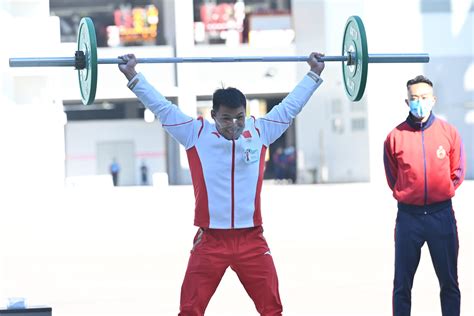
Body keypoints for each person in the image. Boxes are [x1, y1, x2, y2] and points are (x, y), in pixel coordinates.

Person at [118, 52, 325, 315]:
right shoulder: (194, 132)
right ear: (214, 114)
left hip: (251, 239)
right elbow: (161, 106)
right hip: (211, 240)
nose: (234, 125)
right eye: (226, 119)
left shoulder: (261, 130)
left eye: (239, 117)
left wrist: (314, 73)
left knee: (272, 309)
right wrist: (132, 75)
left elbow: (291, 106)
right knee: (190, 309)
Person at [383, 75, 466, 316]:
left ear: (433, 100)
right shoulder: (394, 137)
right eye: (414, 98)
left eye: (424, 97)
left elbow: (457, 172)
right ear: (406, 101)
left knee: (449, 283)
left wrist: (441, 191)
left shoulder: (448, 133)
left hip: (441, 216)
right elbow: (392, 177)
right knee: (402, 286)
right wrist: (411, 193)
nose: (419, 102)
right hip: (409, 218)